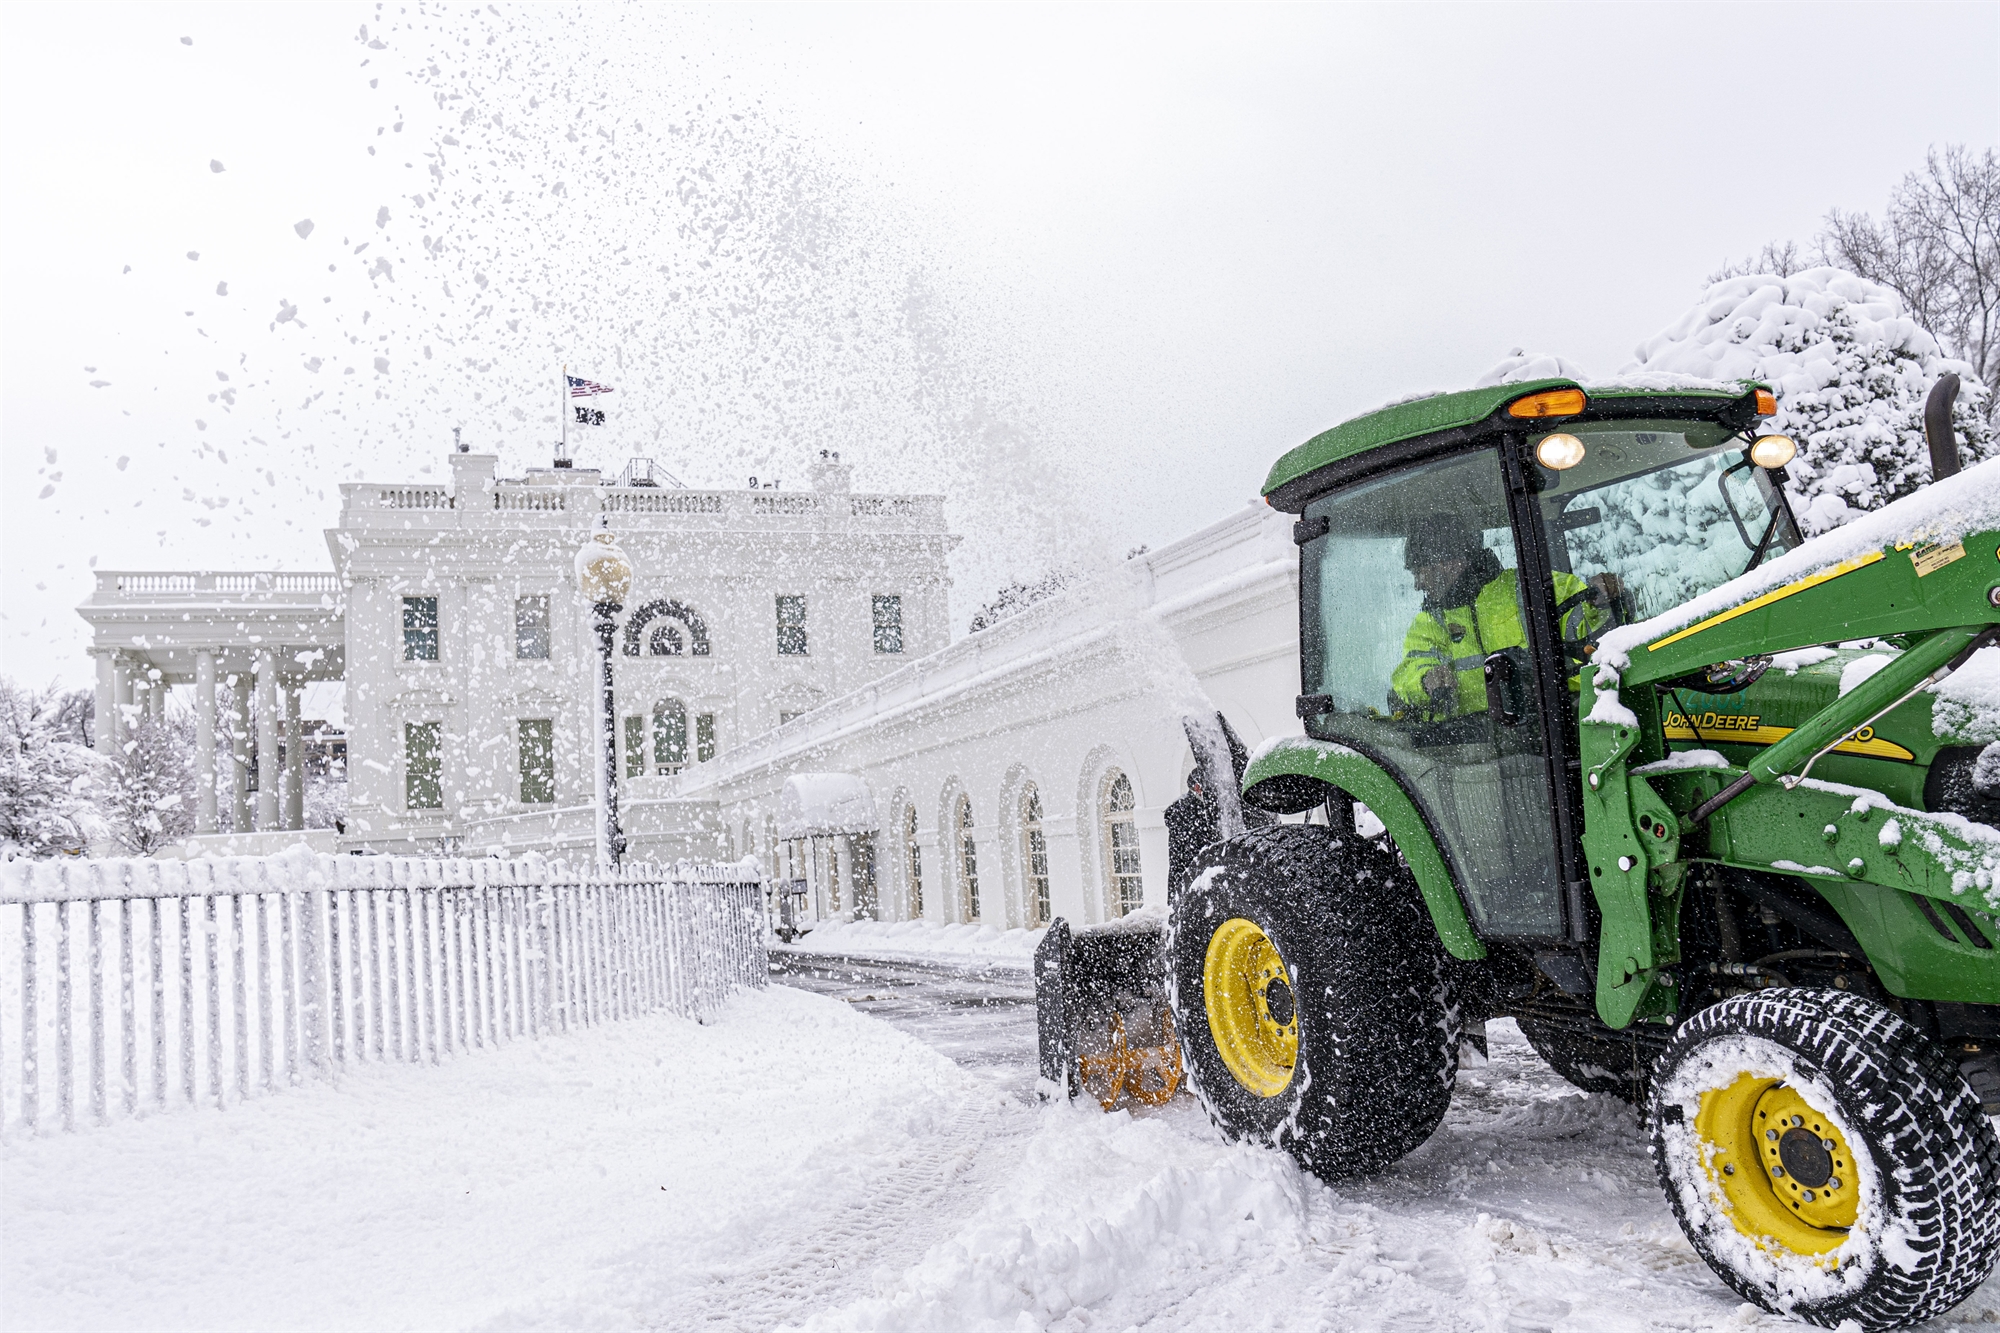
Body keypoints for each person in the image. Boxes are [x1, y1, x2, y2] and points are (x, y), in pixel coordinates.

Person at [1390, 520, 1607, 720]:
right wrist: (1425, 681)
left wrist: (1603, 605)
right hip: (1473, 744)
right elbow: (1410, 669)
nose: (1417, 585)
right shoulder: (1430, 620)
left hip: (1551, 726)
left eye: (1419, 572)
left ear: (1447, 563)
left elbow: (1600, 648)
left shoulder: (1538, 590)